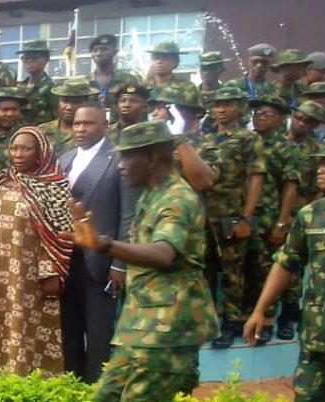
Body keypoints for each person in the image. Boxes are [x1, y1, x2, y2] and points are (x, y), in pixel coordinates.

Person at [71, 120, 218, 401]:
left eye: (127, 157)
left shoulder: (176, 199)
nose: (120, 166)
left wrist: (104, 245)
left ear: (152, 158)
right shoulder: (153, 193)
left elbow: (163, 253)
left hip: (168, 330)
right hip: (142, 324)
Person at [244, 135, 325, 402]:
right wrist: (260, 309)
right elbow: (286, 262)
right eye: (319, 162)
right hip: (320, 334)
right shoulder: (312, 214)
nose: (320, 169)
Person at [0, 125, 73, 379]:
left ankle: (33, 388)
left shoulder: (54, 186)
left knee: (28, 331)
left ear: (41, 152)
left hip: (31, 276)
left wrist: (51, 270)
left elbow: (61, 233)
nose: (18, 154)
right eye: (14, 148)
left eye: (26, 149)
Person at [59, 104, 139, 383]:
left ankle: (97, 391)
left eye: (88, 123)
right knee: (68, 333)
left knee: (98, 336)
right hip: (66, 260)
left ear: (104, 125)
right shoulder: (65, 158)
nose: (80, 129)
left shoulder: (118, 160)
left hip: (101, 263)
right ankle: (71, 390)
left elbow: (128, 215)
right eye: (76, 124)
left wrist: (119, 264)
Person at [201, 87, 267, 349]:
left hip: (233, 215)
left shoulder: (248, 139)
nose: (221, 109)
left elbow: (256, 178)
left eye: (228, 104)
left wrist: (246, 219)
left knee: (233, 271)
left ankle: (231, 322)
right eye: (217, 104)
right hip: (204, 216)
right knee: (204, 269)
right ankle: (207, 321)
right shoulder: (205, 138)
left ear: (240, 107)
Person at [243, 95, 302, 344]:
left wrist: (282, 223)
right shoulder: (246, 142)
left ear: (280, 119)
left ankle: (266, 321)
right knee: (245, 269)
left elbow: (290, 186)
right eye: (256, 114)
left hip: (269, 219)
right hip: (243, 217)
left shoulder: (286, 148)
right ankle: (244, 318)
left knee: (266, 269)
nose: (259, 118)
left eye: (266, 114)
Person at [279, 101, 325, 340]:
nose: (299, 123)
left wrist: (309, 217)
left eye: (307, 121)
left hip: (298, 214)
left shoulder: (315, 151)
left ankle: (287, 315)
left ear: (315, 125)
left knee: (293, 268)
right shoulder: (274, 141)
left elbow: (317, 189)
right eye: (297, 117)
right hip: (268, 211)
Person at [85, 34, 143, 123]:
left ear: (115, 52)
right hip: (91, 128)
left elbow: (140, 108)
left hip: (122, 128)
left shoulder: (129, 80)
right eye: (95, 50)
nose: (99, 53)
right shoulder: (84, 82)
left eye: (104, 49)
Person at [38, 78, 99, 155]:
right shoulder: (42, 131)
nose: (69, 107)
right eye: (65, 101)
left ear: (87, 104)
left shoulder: (94, 133)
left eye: (76, 102)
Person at [16, 39, 57, 126]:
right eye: (25, 58)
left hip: (43, 132)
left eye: (35, 57)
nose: (29, 61)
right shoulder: (18, 88)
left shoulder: (53, 88)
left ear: (46, 59)